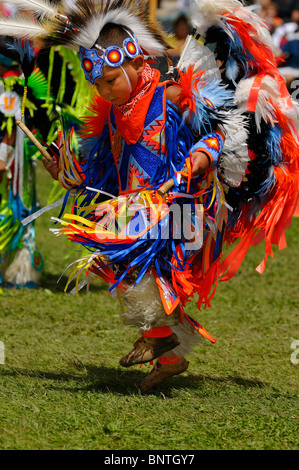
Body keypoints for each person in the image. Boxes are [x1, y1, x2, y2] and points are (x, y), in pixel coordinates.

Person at [2, 0, 298, 393]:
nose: (104, 91)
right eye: (98, 84)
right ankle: (169, 356)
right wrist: (68, 174)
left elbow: (216, 135)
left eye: (110, 81)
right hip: (146, 209)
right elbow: (100, 176)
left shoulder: (171, 96)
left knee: (120, 244)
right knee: (112, 251)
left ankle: (159, 336)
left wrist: (191, 164)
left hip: (187, 210)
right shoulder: (112, 113)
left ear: (139, 63)